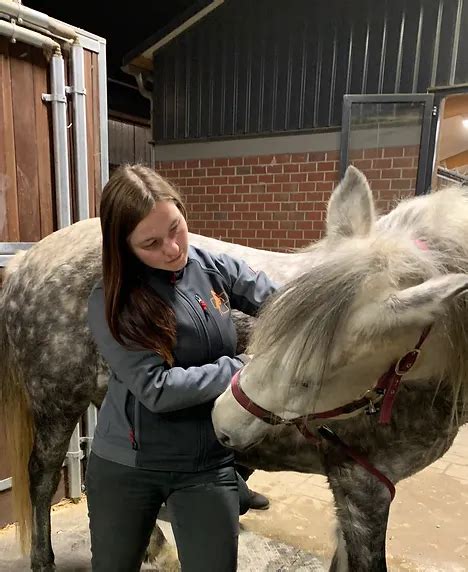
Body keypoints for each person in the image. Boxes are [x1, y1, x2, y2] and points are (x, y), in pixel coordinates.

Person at [85, 164, 278, 572]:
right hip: (127, 466)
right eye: (151, 243)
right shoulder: (111, 300)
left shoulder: (212, 267)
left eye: (176, 227)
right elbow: (157, 389)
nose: (172, 249)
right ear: (124, 248)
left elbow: (278, 300)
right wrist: (243, 368)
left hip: (205, 465)